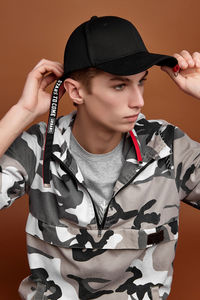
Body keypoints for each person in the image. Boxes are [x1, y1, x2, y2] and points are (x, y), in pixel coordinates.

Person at [0, 15, 200, 300]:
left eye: (140, 82)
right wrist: (23, 110)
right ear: (75, 91)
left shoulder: (167, 146)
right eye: (120, 86)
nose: (138, 100)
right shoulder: (37, 147)